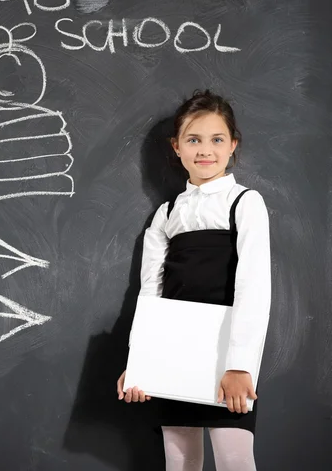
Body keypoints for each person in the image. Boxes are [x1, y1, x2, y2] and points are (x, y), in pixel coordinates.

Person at [117, 88, 272, 471]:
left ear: (233, 145)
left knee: (235, 459)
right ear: (177, 147)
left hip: (226, 356)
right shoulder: (166, 214)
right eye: (194, 139)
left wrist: (240, 366)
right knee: (180, 460)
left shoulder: (245, 202)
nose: (206, 150)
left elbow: (254, 287)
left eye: (217, 139)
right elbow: (150, 295)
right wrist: (140, 364)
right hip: (173, 353)